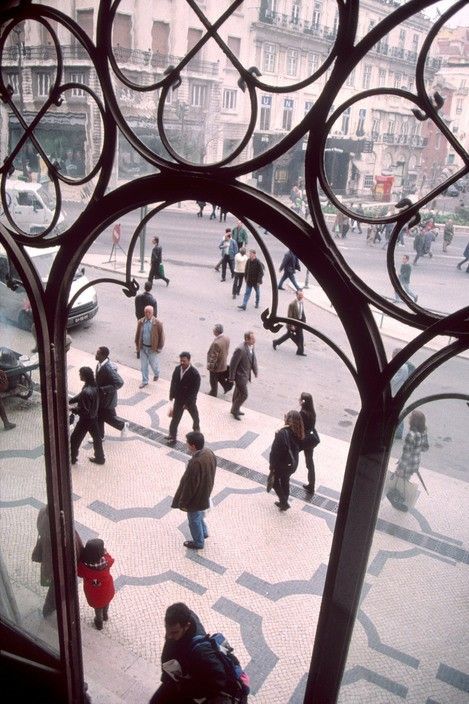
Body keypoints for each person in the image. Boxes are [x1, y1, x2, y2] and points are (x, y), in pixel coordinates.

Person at [149, 602, 228, 703]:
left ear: (186, 626)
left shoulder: (201, 652)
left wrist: (188, 690)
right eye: (167, 630)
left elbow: (218, 680)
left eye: (174, 632)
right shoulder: (183, 618)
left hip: (190, 692)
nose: (168, 636)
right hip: (176, 682)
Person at [33, 505, 83, 618]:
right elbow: (69, 546)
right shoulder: (61, 529)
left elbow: (40, 528)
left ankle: (50, 607)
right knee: (56, 588)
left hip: (49, 561)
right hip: (59, 566)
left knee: (55, 584)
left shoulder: (43, 512)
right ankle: (48, 609)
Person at [171, 431, 216, 550]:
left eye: (187, 443)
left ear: (193, 446)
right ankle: (204, 532)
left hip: (196, 498)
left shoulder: (195, 463)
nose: (186, 444)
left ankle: (198, 542)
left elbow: (190, 487)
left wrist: (183, 503)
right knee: (200, 515)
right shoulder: (209, 452)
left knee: (194, 519)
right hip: (205, 491)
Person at [390, 410, 429, 511]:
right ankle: (399, 499)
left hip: (406, 465)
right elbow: (425, 448)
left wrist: (401, 468)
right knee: (404, 481)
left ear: (412, 421)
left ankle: (399, 500)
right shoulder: (423, 432)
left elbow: (406, 454)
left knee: (399, 483)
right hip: (414, 464)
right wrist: (417, 447)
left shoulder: (411, 435)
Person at [269, 410, 304, 511]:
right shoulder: (299, 432)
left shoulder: (282, 433)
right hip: (293, 463)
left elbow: (275, 451)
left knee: (275, 482)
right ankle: (283, 501)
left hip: (282, 464)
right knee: (285, 480)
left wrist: (272, 465)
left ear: (288, 419)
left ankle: (284, 502)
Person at [77, 538, 115, 631]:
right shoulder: (106, 561)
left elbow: (79, 573)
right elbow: (111, 559)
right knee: (106, 602)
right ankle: (105, 616)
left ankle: (99, 622)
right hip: (107, 589)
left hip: (93, 594)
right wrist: (105, 553)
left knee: (98, 608)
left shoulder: (83, 566)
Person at [69, 366, 105, 465]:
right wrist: (70, 401)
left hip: (85, 420)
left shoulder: (86, 391)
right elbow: (80, 396)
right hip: (94, 417)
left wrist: (72, 408)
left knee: (75, 439)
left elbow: (83, 410)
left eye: (80, 374)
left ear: (84, 376)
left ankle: (72, 458)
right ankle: (100, 458)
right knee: (97, 439)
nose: (79, 376)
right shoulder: (93, 386)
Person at [166, 352, 201, 445]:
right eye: (180, 360)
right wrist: (171, 395)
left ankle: (197, 430)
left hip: (190, 401)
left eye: (184, 361)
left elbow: (194, 391)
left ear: (189, 361)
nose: (182, 362)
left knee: (195, 417)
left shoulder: (195, 374)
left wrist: (187, 404)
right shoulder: (177, 369)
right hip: (179, 399)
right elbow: (173, 383)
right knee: (175, 419)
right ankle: (172, 437)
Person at [95, 346, 128, 439]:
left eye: (98, 353)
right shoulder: (99, 364)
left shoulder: (107, 368)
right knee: (100, 416)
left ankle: (122, 425)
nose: (95, 355)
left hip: (106, 399)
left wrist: (103, 389)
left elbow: (119, 382)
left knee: (105, 417)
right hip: (103, 398)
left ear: (103, 356)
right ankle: (100, 436)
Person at [228, 331, 258, 420]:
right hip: (240, 376)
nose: (254, 340)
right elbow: (233, 364)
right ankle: (234, 410)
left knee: (238, 393)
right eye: (252, 338)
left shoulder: (251, 346)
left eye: (254, 338)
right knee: (244, 395)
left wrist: (255, 370)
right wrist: (231, 378)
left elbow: (253, 358)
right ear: (246, 339)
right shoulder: (240, 349)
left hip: (245, 375)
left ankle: (235, 408)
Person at [135, 305, 165, 389]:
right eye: (146, 312)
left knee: (153, 364)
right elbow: (137, 335)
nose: (147, 314)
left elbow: (162, 337)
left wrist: (159, 348)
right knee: (143, 365)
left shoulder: (158, 323)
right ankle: (145, 381)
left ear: (153, 313)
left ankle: (157, 373)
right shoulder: (141, 322)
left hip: (152, 349)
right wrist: (137, 346)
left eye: (149, 312)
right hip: (143, 348)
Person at [272, 289, 307, 355]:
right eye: (300, 295)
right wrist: (292, 325)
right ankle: (276, 342)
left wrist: (304, 321)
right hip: (293, 324)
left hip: (299, 323)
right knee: (289, 335)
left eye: (302, 296)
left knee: (301, 338)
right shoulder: (292, 304)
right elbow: (289, 316)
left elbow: (302, 312)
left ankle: (300, 351)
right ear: (296, 295)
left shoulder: (301, 302)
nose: (301, 297)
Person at [390, 349, 415, 440]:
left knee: (397, 412)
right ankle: (397, 432)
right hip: (399, 393)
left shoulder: (403, 368)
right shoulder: (404, 366)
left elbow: (394, 380)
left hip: (397, 393)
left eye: (394, 356)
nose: (392, 358)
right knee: (397, 412)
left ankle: (398, 433)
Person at [299, 392, 318, 494]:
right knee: (310, 462)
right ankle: (312, 485)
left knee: (289, 454)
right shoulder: (312, 412)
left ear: (303, 401)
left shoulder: (303, 413)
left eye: (301, 399)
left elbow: (299, 427)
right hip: (310, 440)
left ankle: (281, 476)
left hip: (303, 440)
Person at [206, 324, 232, 397]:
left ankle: (213, 393)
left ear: (216, 332)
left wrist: (210, 367)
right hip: (223, 362)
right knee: (220, 377)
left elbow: (213, 357)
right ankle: (227, 387)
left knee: (213, 381)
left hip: (216, 366)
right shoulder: (226, 338)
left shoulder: (216, 343)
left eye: (213, 330)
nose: (213, 331)